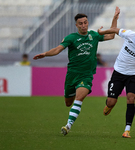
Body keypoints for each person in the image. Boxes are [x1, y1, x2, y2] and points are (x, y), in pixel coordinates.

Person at [33, 7, 120, 136]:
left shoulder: (94, 35)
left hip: (86, 75)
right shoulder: (71, 38)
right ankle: (71, 107)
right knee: (68, 103)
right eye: (81, 23)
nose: (83, 25)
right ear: (76, 25)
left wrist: (114, 18)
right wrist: (45, 54)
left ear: (88, 23)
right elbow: (58, 49)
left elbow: (112, 35)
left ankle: (68, 126)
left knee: (79, 98)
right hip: (72, 75)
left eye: (85, 22)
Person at [98, 17, 135, 138]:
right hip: (118, 73)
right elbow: (114, 29)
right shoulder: (129, 35)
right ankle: (109, 106)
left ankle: (127, 130)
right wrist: (103, 31)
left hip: (134, 76)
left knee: (131, 99)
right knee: (111, 102)